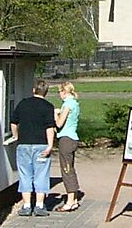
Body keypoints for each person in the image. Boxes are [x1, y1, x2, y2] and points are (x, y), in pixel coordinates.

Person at [10, 80, 56, 217]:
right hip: (41, 144)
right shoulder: (48, 106)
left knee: (25, 175)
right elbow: (49, 127)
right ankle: (40, 205)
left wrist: (16, 136)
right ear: (46, 92)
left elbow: (13, 122)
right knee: (41, 175)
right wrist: (50, 145)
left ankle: (26, 205)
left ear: (33, 90)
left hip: (24, 144)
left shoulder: (23, 104)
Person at [54, 81, 82, 212]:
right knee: (70, 167)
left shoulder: (67, 104)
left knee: (66, 169)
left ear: (64, 92)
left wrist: (55, 113)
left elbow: (59, 123)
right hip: (73, 138)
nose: (59, 94)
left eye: (59, 92)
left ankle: (70, 201)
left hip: (66, 139)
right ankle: (74, 199)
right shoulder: (75, 103)